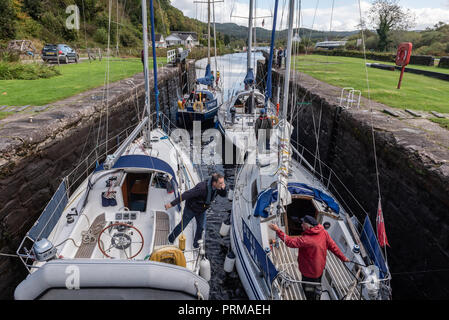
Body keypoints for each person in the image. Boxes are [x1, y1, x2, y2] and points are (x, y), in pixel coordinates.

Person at [269, 215, 349, 300]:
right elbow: (334, 247)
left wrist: (278, 230)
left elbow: (289, 242)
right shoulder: (324, 233)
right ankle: (317, 293)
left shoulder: (306, 240)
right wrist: (344, 258)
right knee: (317, 284)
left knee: (308, 289)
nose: (301, 225)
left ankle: (310, 296)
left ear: (309, 226)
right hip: (319, 269)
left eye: (303, 223)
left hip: (308, 272)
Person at [165, 173, 227, 248]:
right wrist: (172, 204)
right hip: (190, 209)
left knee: (201, 227)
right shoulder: (202, 188)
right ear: (214, 183)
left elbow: (223, 195)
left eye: (223, 182)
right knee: (182, 226)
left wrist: (224, 189)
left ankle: (196, 245)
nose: (222, 184)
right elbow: (186, 194)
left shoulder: (218, 188)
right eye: (221, 183)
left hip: (201, 210)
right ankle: (170, 239)